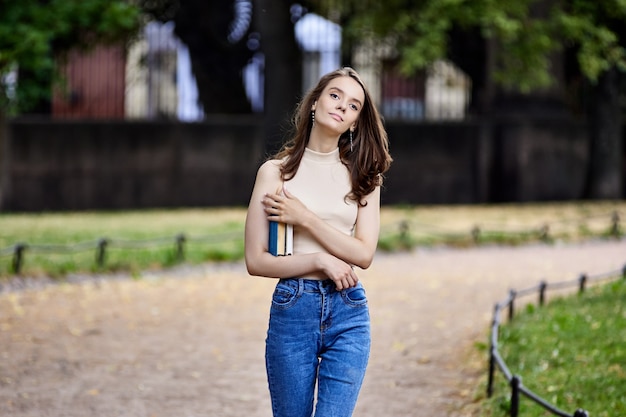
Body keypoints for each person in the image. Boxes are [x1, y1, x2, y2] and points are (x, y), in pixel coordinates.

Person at [244, 67, 392, 417]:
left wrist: (306, 218)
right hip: (294, 307)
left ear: (355, 122)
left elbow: (363, 253)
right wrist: (319, 261)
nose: (342, 106)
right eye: (335, 95)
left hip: (349, 310)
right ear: (315, 102)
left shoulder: (365, 177)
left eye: (354, 106)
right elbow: (256, 260)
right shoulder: (275, 174)